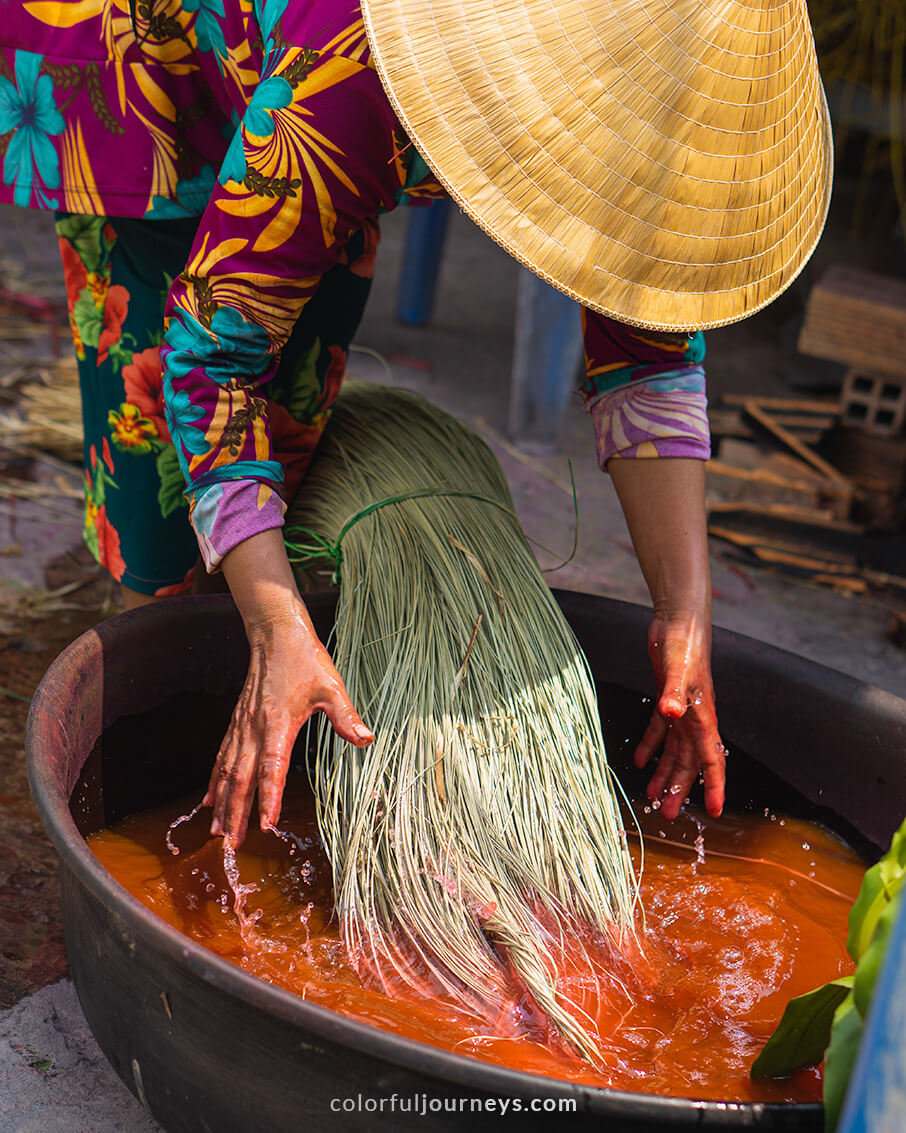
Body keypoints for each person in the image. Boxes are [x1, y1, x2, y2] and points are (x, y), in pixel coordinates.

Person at [0, 0, 831, 843]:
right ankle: (140, 779)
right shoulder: (358, 63)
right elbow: (209, 362)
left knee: (287, 421)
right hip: (153, 63)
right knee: (160, 482)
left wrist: (684, 612)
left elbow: (649, 348)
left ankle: (256, 684)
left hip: (312, 103)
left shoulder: (655, 103)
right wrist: (275, 621)